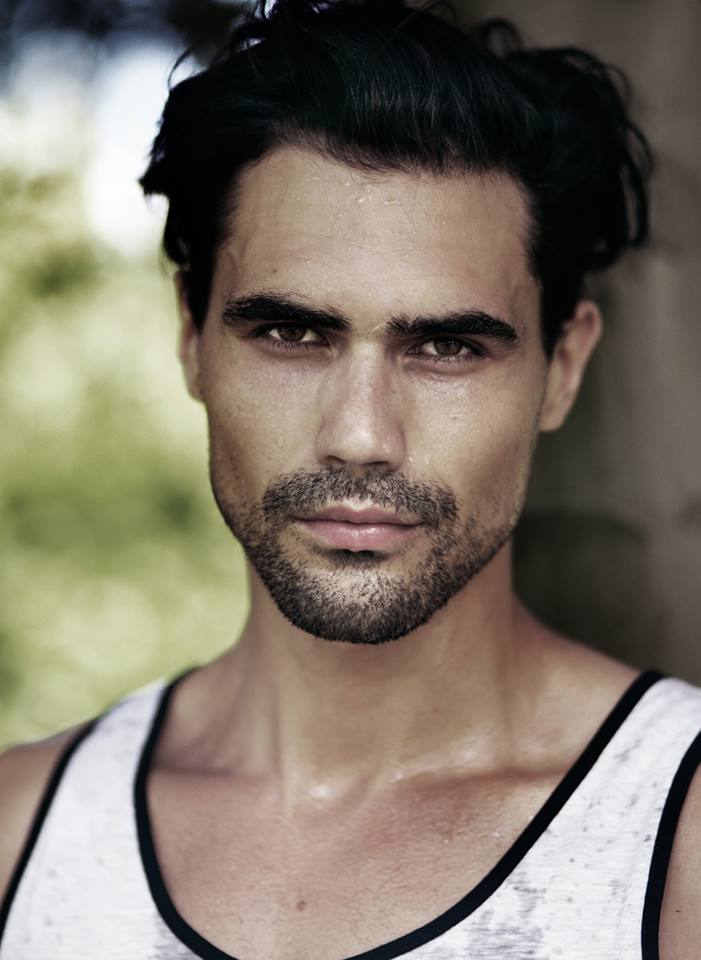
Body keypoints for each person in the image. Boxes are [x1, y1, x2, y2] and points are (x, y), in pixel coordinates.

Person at [0, 0, 698, 956]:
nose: (361, 436)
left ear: (562, 368)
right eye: (292, 333)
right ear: (191, 337)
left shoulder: (680, 836)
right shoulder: (19, 832)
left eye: (448, 347)